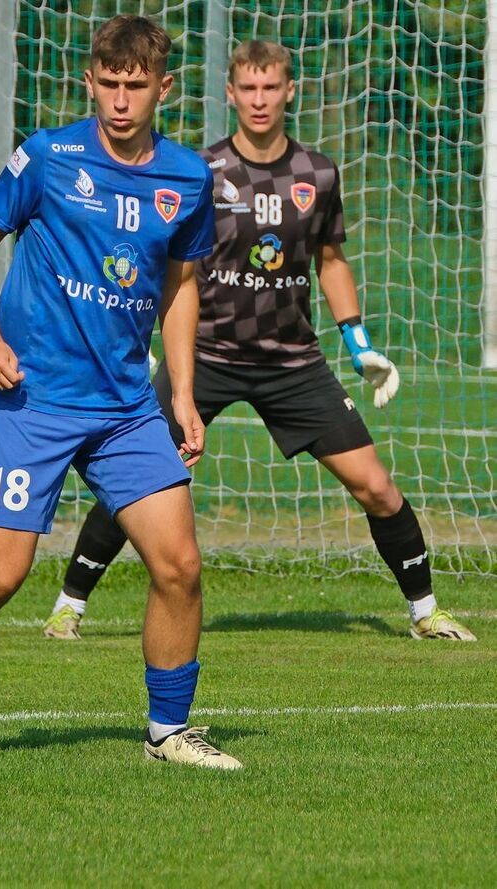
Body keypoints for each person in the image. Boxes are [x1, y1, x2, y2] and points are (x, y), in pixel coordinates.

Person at [43, 39, 476, 644]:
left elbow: (330, 259)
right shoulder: (200, 171)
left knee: (375, 484)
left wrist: (358, 341)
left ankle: (425, 610)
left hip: (292, 362)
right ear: (230, 93)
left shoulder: (317, 173)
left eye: (270, 88)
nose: (259, 100)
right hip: (207, 356)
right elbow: (171, 265)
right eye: (248, 88)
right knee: (139, 477)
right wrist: (144, 335)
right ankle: (69, 607)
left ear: (288, 90)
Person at [0, 16, 241, 769]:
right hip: (31, 398)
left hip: (124, 408)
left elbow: (182, 286)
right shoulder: (50, 157)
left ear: (163, 88)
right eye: (109, 84)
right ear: (90, 81)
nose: (121, 101)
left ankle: (168, 733)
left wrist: (182, 392)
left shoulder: (186, 178)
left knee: (178, 563)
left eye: (136, 86)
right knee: (0, 576)